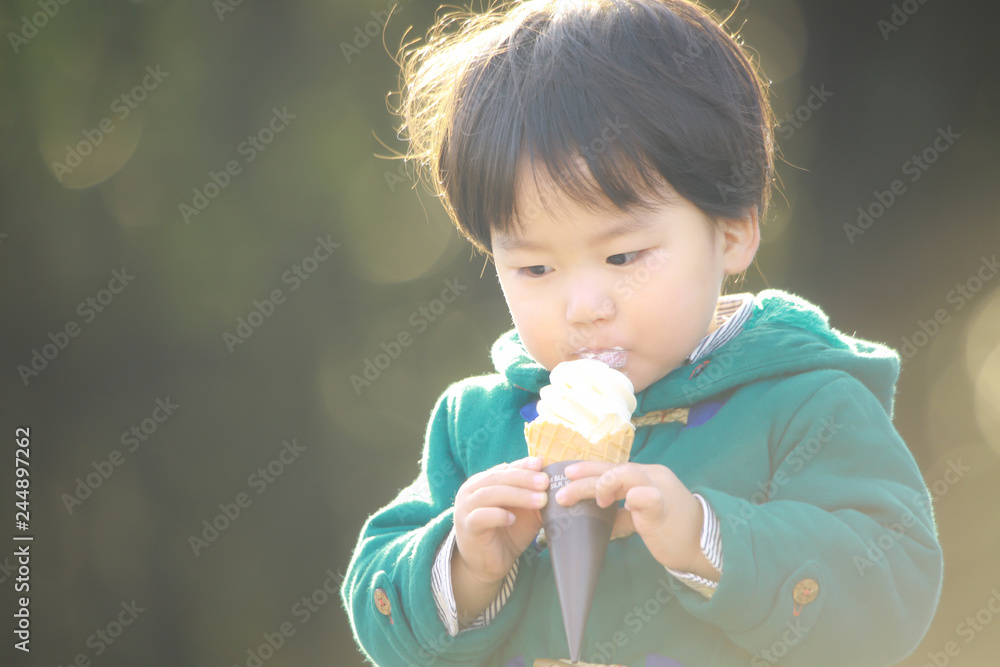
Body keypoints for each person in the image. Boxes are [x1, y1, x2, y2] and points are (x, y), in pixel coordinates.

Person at [341, 1, 943, 664]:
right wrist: (461, 566)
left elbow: (894, 593)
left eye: (623, 257)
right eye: (535, 266)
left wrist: (709, 538)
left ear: (734, 226)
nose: (584, 305)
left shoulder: (807, 405)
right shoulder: (478, 425)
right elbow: (377, 603)